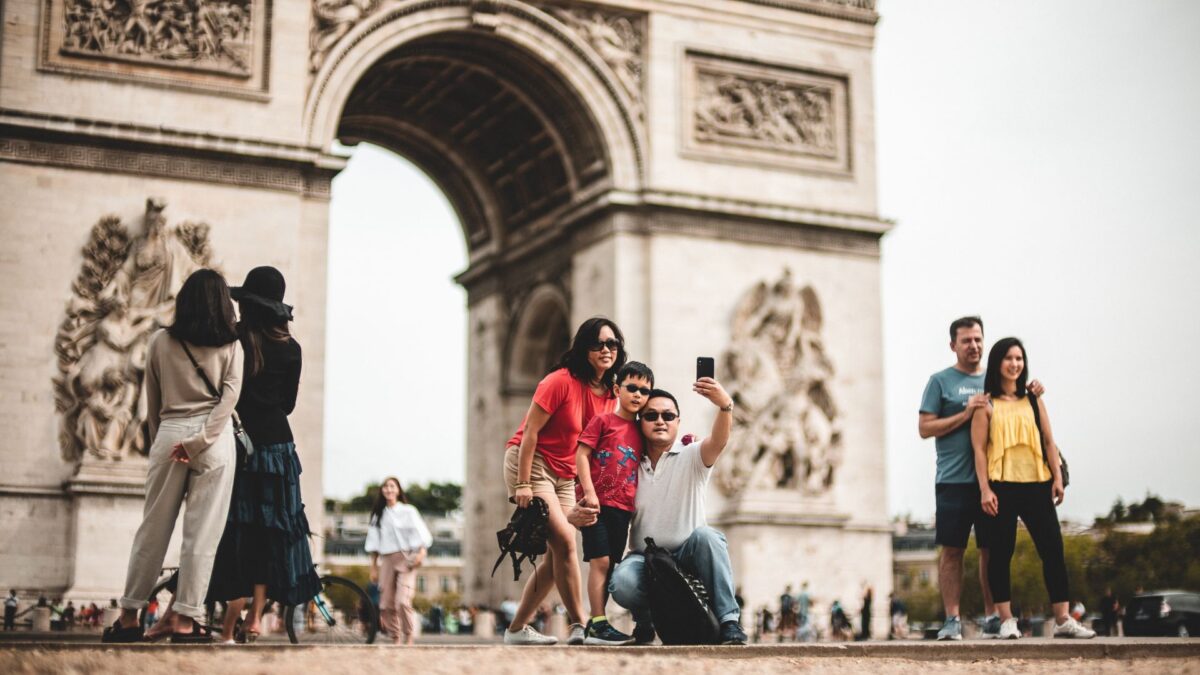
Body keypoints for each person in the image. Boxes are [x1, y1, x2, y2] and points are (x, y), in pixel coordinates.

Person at [104, 269, 243, 644]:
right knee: (201, 537)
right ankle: (185, 620)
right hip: (214, 441)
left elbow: (152, 403)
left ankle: (129, 616)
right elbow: (229, 401)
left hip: (170, 434)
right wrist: (201, 441)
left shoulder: (159, 342)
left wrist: (164, 443)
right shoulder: (232, 344)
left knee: (152, 530)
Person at [206, 266, 321, 644]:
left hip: (240, 444)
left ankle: (226, 614)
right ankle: (255, 615)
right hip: (278, 447)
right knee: (274, 532)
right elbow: (288, 404)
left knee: (239, 530)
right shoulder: (292, 348)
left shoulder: (236, 341)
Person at [919, 317, 1044, 640]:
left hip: (995, 481)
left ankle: (992, 616)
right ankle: (952, 619)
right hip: (953, 481)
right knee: (952, 551)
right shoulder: (940, 382)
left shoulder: (995, 379)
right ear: (953, 346)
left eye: (978, 339)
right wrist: (965, 413)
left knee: (992, 550)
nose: (973, 346)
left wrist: (1034, 390)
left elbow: (1021, 406)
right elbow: (924, 428)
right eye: (966, 341)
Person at [501, 318, 622, 646]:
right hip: (532, 464)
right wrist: (524, 483)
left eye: (612, 343)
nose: (606, 350)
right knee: (567, 541)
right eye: (598, 344)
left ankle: (515, 631)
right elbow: (530, 433)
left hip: (566, 476)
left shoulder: (612, 393)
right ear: (584, 348)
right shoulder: (558, 381)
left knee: (557, 554)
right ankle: (585, 624)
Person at [971, 337, 1094, 640]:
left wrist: (1057, 477)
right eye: (1009, 358)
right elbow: (979, 452)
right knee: (1001, 554)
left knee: (1053, 549)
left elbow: (1049, 441)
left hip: (1037, 483)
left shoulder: (1034, 400)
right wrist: (985, 489)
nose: (1015, 364)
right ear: (998, 362)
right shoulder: (985, 405)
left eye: (1020, 358)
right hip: (1001, 485)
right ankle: (1006, 620)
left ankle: (1063, 619)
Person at [608, 381, 749, 645]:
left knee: (708, 537)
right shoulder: (627, 465)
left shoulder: (693, 455)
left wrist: (725, 406)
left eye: (668, 415)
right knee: (622, 582)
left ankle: (730, 622)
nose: (660, 421)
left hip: (690, 556)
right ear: (640, 423)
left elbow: (719, 441)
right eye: (651, 416)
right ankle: (645, 620)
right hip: (645, 560)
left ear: (678, 421)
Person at [575, 361, 655, 646]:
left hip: (623, 509)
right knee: (601, 561)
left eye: (644, 390)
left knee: (610, 565)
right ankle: (597, 623)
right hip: (596, 504)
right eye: (631, 388)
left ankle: (597, 625)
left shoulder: (642, 432)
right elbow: (581, 456)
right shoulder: (602, 421)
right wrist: (589, 492)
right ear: (617, 389)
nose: (637, 395)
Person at [365, 477, 432, 645]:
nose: (389, 489)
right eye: (385, 486)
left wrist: (421, 553)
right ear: (382, 491)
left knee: (402, 600)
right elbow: (373, 543)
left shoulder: (408, 511)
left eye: (392, 486)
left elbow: (421, 533)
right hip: (386, 560)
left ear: (398, 490)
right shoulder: (378, 515)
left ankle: (409, 635)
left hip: (407, 558)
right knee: (386, 603)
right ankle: (395, 637)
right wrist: (373, 567)